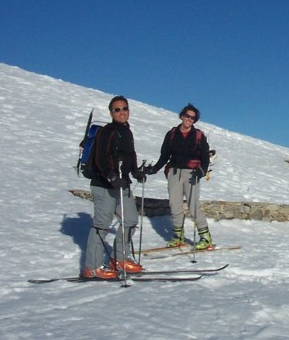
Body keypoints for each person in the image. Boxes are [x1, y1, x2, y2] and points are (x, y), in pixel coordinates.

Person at [83, 95, 146, 279]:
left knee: (131, 220)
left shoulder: (127, 132)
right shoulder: (107, 131)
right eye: (117, 109)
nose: (122, 112)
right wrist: (110, 175)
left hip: (122, 183)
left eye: (124, 108)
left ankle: (120, 259)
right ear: (111, 113)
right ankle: (92, 267)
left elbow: (130, 155)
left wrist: (136, 172)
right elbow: (100, 157)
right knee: (102, 225)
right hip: (104, 184)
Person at [145, 103, 214, 250]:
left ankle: (205, 237)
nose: (189, 119)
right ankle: (178, 236)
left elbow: (205, 157)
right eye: (187, 116)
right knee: (175, 205)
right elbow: (164, 156)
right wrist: (155, 169)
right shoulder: (171, 134)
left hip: (192, 173)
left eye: (193, 118)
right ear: (182, 115)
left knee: (193, 205)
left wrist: (202, 170)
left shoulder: (198, 135)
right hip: (174, 172)